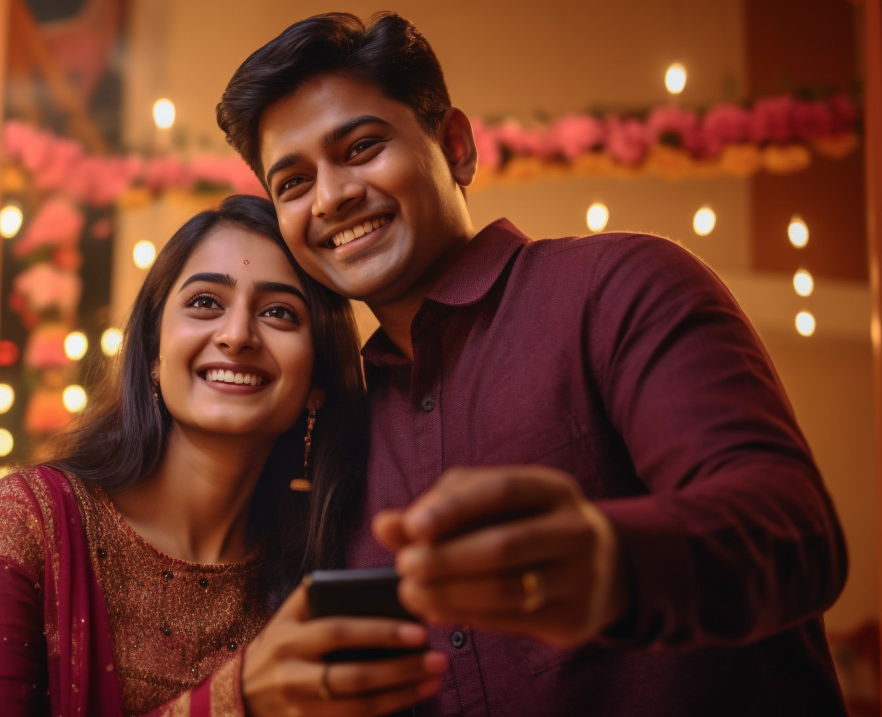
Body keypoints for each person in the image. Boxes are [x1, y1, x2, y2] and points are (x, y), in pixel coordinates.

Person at [214, 11, 850, 716]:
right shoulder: (342, 428)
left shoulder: (619, 286)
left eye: (361, 147)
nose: (331, 197)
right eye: (293, 183)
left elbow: (794, 529)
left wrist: (611, 563)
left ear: (455, 146)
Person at [0, 194, 444, 715]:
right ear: (155, 352)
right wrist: (236, 701)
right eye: (205, 302)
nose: (237, 336)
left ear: (316, 379)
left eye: (278, 312)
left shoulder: (323, 567)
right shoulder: (28, 523)